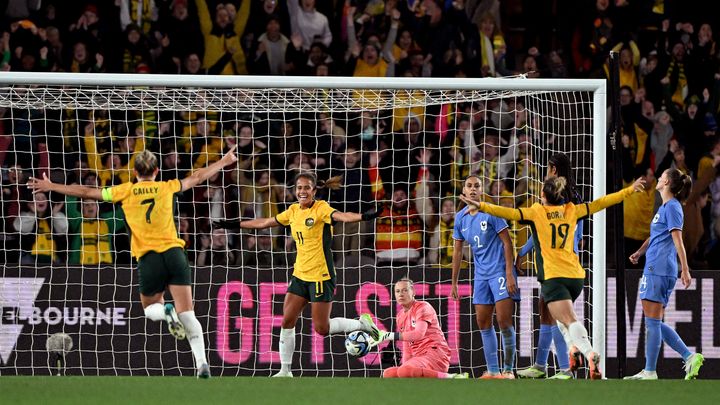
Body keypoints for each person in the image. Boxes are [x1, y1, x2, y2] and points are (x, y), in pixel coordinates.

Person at [27, 147, 241, 378]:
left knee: (150, 309)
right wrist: (224, 161)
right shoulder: (166, 186)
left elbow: (88, 192)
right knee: (188, 314)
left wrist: (52, 187)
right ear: (157, 170)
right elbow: (198, 177)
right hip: (175, 254)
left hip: (149, 258)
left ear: (134, 171)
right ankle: (202, 364)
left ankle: (166, 313)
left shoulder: (125, 191)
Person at [459, 175, 646, 380]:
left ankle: (589, 352)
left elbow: (507, 212)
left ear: (542, 196)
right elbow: (601, 203)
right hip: (575, 276)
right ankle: (573, 349)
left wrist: (481, 205)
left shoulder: (537, 213)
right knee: (560, 320)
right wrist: (628, 190)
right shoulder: (572, 210)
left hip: (554, 277)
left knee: (568, 319)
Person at [213, 172, 382, 377]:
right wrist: (234, 225)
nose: (302, 191)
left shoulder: (321, 208)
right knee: (287, 320)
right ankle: (285, 370)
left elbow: (342, 216)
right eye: (299, 188)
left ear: (314, 190)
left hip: (321, 277)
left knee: (322, 328)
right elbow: (265, 222)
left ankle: (362, 323)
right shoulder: (292, 211)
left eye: (306, 188)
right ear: (295, 190)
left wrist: (365, 216)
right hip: (300, 275)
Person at [624, 169, 704, 380]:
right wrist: (640, 252)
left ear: (667, 182)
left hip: (659, 268)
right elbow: (657, 236)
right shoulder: (665, 207)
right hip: (656, 266)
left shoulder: (674, 207)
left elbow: (678, 240)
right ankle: (688, 357)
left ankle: (650, 371)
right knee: (654, 321)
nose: (658, 178)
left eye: (661, 177)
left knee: (652, 321)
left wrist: (685, 268)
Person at [516, 153, 580, 379]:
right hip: (555, 263)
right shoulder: (570, 194)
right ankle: (540, 365)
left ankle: (565, 369)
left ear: (553, 169)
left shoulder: (560, 196)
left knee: (558, 316)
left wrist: (522, 252)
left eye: (546, 167)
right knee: (545, 312)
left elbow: (569, 231)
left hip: (559, 266)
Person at [450, 175, 518, 379]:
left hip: (499, 272)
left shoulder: (491, 212)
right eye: (469, 186)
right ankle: (493, 371)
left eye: (476, 186)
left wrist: (509, 273)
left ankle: (508, 370)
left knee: (504, 321)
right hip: (481, 276)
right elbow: (457, 251)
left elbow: (507, 243)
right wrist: (454, 281)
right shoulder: (460, 217)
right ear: (463, 189)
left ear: (481, 190)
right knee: (483, 322)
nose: (472, 189)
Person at [370, 278, 468, 379]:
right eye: (397, 291)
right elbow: (407, 344)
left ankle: (452, 377)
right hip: (419, 358)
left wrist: (389, 336)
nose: (401, 294)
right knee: (389, 373)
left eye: (405, 290)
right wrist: (406, 365)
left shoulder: (422, 307)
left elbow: (418, 334)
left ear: (413, 292)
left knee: (404, 371)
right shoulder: (400, 316)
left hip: (435, 353)